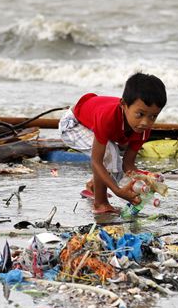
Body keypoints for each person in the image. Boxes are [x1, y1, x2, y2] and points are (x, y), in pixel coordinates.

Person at [59, 73, 167, 214]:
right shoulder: (108, 118)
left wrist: (147, 177)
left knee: (113, 161)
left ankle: (94, 185)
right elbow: (96, 162)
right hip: (73, 124)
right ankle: (100, 203)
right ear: (124, 105)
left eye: (153, 116)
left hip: (93, 123)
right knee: (109, 153)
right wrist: (117, 191)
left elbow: (128, 165)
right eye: (140, 114)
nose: (145, 122)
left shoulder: (144, 130)